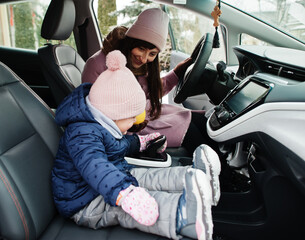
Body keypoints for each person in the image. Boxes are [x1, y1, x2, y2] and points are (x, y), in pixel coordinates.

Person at [52, 50, 221, 240]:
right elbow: (95, 167)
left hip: (110, 180)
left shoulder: (102, 123)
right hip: (84, 202)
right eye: (131, 117)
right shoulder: (81, 133)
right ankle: (181, 216)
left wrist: (140, 142)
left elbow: (117, 147)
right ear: (113, 113)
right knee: (133, 207)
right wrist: (125, 193)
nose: (134, 122)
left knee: (147, 176)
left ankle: (196, 177)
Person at [81, 8, 215, 154]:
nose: (144, 59)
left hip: (150, 112)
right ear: (131, 41)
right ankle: (222, 174)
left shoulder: (138, 63)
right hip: (129, 126)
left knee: (204, 122)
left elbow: (149, 91)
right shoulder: (97, 64)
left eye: (152, 54)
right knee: (194, 134)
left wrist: (178, 72)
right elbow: (94, 112)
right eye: (141, 49)